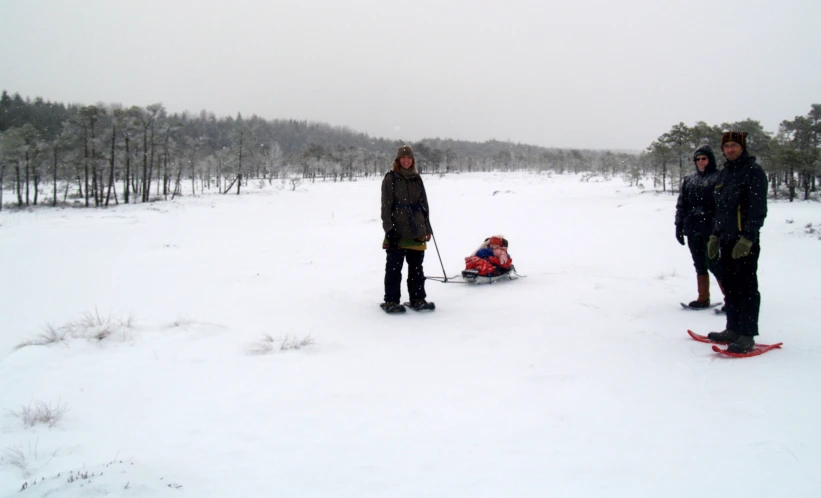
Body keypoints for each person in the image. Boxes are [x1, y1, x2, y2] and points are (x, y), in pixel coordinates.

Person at [706, 131, 768, 353]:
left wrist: (748, 238)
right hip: (725, 238)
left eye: (734, 145)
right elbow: (720, 209)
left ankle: (747, 334)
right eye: (727, 146)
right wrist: (714, 235)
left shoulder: (753, 172)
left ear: (742, 147)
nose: (730, 149)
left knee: (747, 287)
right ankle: (732, 328)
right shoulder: (724, 174)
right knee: (730, 286)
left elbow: (758, 209)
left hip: (744, 241)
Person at [380, 145, 435, 313]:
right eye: (403, 158)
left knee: (417, 267)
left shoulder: (417, 179)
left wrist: (427, 227)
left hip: (417, 229)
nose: (406, 160)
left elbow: (424, 205)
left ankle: (418, 299)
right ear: (398, 160)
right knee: (394, 268)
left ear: (412, 160)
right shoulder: (390, 178)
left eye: (409, 158)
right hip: (397, 229)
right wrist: (389, 230)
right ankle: (391, 301)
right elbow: (386, 206)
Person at [675, 145, 724, 308]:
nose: (701, 162)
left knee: (715, 263)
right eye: (698, 159)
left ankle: (731, 298)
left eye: (704, 158)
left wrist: (717, 225)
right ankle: (703, 297)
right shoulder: (689, 179)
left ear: (710, 160)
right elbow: (682, 204)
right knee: (699, 263)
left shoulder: (719, 178)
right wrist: (679, 225)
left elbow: (723, 206)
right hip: (692, 228)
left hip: (711, 229)